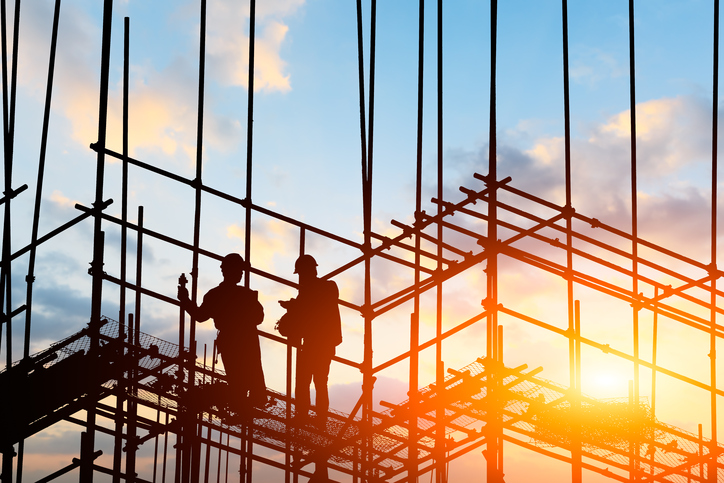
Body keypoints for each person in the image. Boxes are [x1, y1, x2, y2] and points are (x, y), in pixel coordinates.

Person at [178, 253, 267, 408]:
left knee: (238, 378)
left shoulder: (215, 295)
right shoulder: (245, 294)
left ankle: (241, 405)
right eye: (239, 271)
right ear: (230, 271)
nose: (241, 274)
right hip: (246, 339)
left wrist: (185, 300)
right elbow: (259, 318)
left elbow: (200, 316)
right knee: (251, 376)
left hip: (232, 340)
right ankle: (248, 405)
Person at [279, 254, 342, 422]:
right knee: (308, 381)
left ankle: (314, 416)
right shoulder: (311, 291)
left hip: (320, 343)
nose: (300, 278)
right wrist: (294, 306)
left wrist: (294, 306)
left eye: (301, 274)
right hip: (314, 343)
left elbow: (312, 308)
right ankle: (306, 415)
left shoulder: (326, 287)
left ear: (309, 272)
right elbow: (305, 309)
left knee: (315, 381)